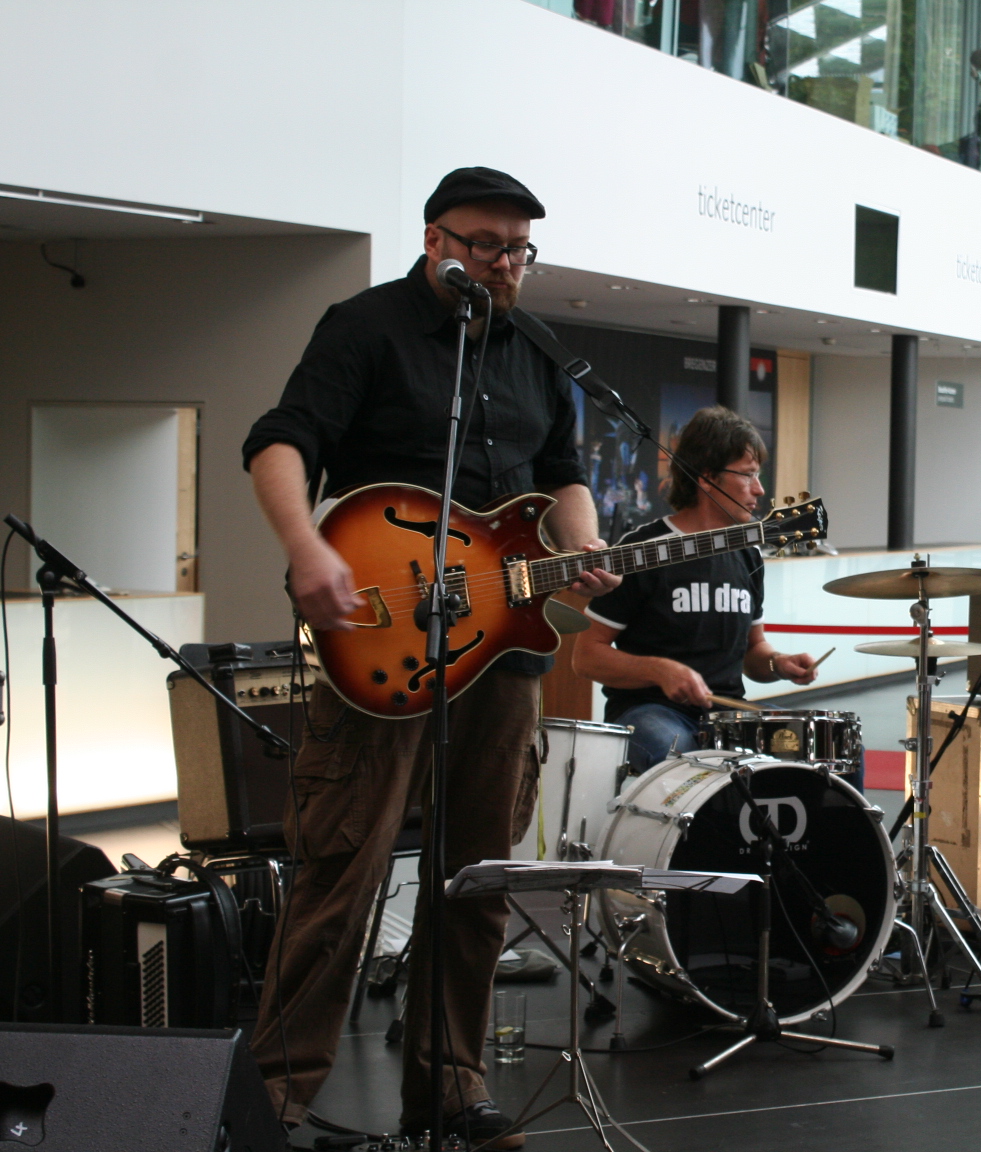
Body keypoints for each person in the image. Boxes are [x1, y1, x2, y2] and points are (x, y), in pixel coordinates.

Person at [242, 166, 621, 1147]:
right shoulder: (366, 327)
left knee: (478, 879)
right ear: (435, 242)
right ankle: (272, 1099)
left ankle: (450, 1085)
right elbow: (281, 440)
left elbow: (562, 475)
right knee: (342, 871)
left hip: (506, 651)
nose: (505, 265)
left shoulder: (536, 350)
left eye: (520, 250)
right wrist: (306, 547)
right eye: (487, 245)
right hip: (386, 641)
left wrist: (582, 543)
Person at [576, 405, 819, 773]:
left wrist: (779, 663)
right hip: (650, 711)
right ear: (707, 478)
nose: (759, 489)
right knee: (677, 754)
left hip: (726, 716)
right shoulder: (642, 550)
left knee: (822, 752)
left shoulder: (748, 555)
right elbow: (585, 656)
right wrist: (660, 671)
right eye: (748, 475)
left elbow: (754, 651)